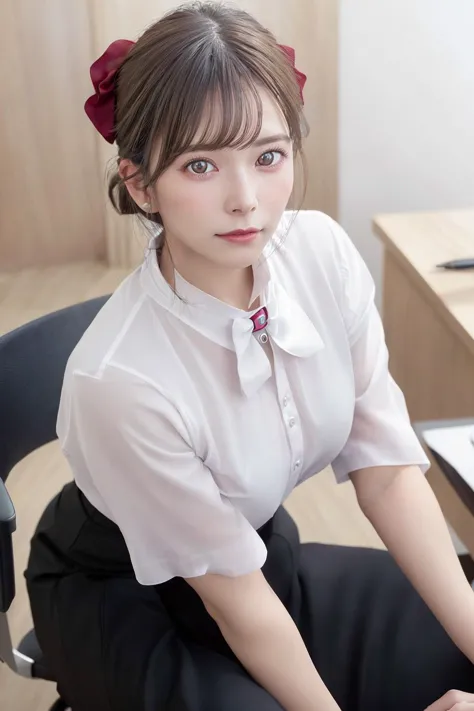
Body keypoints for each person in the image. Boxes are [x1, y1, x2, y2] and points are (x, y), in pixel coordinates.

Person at [25, 3, 474, 711]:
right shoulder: (118, 380)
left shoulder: (321, 252)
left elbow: (386, 474)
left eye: (268, 156)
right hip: (123, 595)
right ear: (141, 183)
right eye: (201, 164)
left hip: (254, 551)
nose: (246, 201)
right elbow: (235, 602)